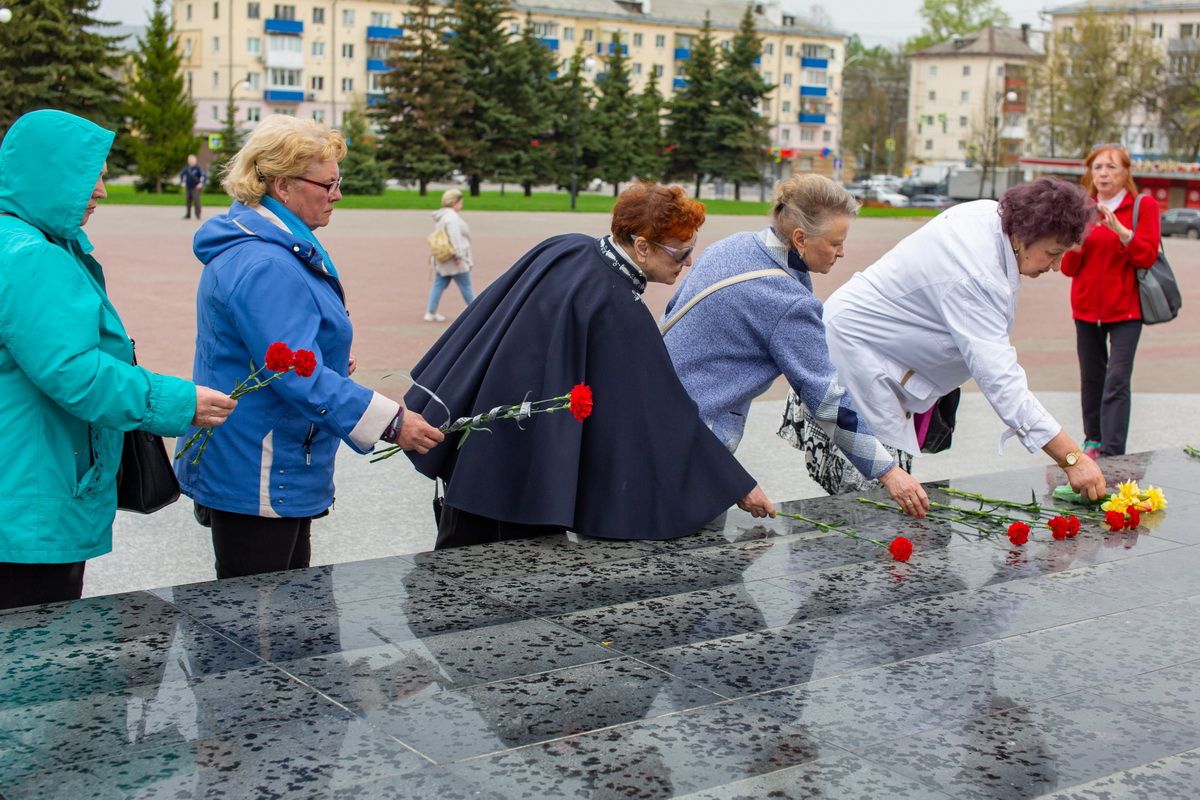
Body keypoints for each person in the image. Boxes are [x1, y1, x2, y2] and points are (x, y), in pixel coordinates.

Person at [405, 182, 770, 549]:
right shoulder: (620, 308)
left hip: (485, 431)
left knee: (461, 550)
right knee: (511, 573)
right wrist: (736, 484)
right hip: (533, 464)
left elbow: (490, 313)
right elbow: (664, 412)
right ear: (641, 246)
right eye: (680, 252)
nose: (688, 262)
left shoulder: (566, 247)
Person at [175, 115, 443, 579]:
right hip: (259, 462)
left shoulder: (271, 245)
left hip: (263, 453)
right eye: (328, 183)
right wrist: (393, 421)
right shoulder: (266, 262)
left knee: (285, 615)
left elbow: (280, 348)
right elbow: (294, 372)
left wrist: (328, 357)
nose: (337, 195)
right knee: (259, 625)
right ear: (283, 185)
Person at [0, 110, 236, 610]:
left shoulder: (21, 241)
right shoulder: (32, 257)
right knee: (39, 651)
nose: (102, 191)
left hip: (21, 480)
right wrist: (178, 401)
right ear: (52, 175)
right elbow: (75, 372)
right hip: (33, 496)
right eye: (94, 177)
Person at [820, 177, 1107, 501]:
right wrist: (1072, 458)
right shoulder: (976, 272)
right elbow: (1002, 382)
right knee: (873, 487)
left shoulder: (996, 219)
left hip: (879, 349)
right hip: (858, 352)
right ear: (1027, 234)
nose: (1057, 266)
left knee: (887, 483)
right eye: (1053, 253)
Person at [663, 175, 929, 518]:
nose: (842, 252)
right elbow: (827, 399)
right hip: (691, 452)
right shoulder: (787, 302)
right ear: (800, 239)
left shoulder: (732, 247)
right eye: (835, 242)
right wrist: (889, 472)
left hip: (656, 416)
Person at [1061, 145, 1161, 457]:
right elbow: (1067, 268)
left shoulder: (1141, 207)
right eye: (1098, 167)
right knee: (1092, 377)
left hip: (1126, 311)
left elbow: (1147, 256)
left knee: (1117, 378)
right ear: (1090, 172)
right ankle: (1093, 441)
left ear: (1125, 172)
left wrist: (1124, 234)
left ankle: (1114, 450)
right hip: (1086, 309)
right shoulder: (1082, 209)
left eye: (1111, 167)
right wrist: (1076, 244)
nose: (1103, 173)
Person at [425, 188, 475, 322]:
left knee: (439, 284)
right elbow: (455, 238)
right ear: (454, 202)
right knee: (466, 286)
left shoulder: (442, 216)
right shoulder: (452, 218)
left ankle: (431, 312)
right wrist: (458, 256)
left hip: (443, 258)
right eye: (460, 202)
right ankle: (477, 311)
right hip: (454, 259)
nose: (462, 205)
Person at [180, 154, 206, 220]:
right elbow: (182, 175)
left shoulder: (198, 168)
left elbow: (203, 176)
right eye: (189, 160)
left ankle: (198, 215)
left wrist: (201, 183)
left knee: (196, 200)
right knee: (188, 201)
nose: (190, 161)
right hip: (188, 187)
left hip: (196, 187)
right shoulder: (186, 168)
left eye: (192, 160)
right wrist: (182, 182)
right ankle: (188, 214)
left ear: (195, 160)